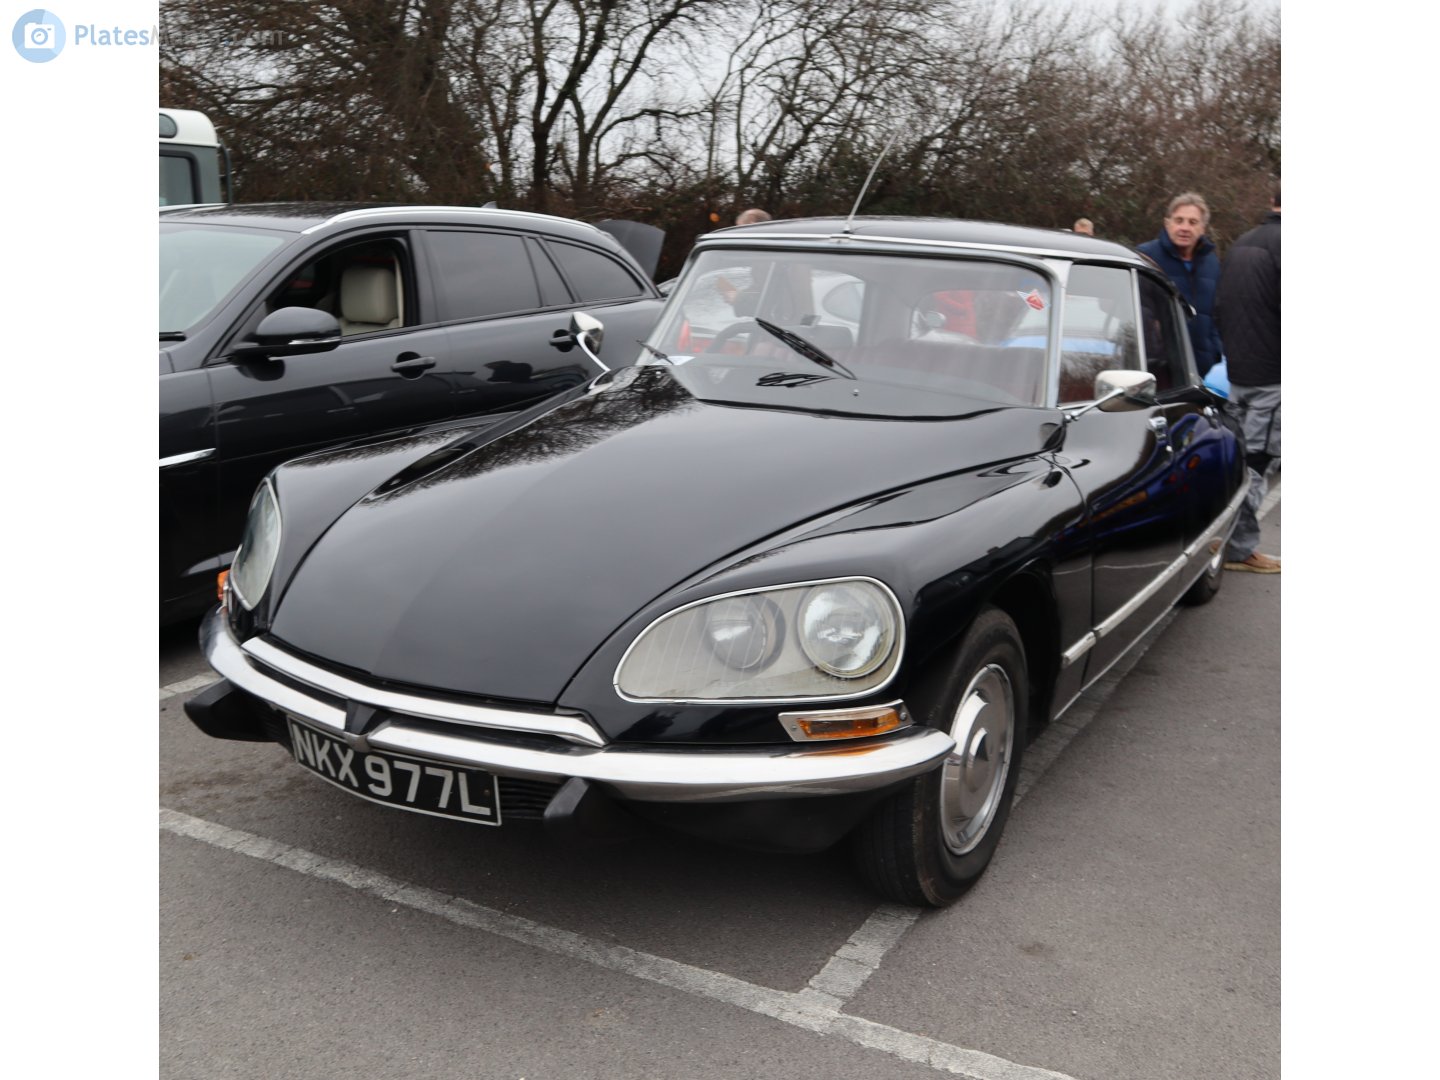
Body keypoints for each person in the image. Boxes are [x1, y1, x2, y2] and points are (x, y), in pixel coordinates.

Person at [1215, 183, 1281, 574]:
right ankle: (1239, 549)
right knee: (1258, 462)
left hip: (1237, 370)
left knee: (1240, 459)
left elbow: (1218, 307)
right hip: (1273, 374)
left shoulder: (1241, 243)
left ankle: (1227, 541)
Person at [1137, 193, 1223, 376]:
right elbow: (1140, 313)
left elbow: (1217, 313)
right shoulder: (1146, 257)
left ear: (1203, 228)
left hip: (1203, 370)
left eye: (1192, 222)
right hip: (1159, 369)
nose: (1185, 228)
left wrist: (1216, 350)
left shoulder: (1211, 262)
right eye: (1179, 220)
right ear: (1167, 223)